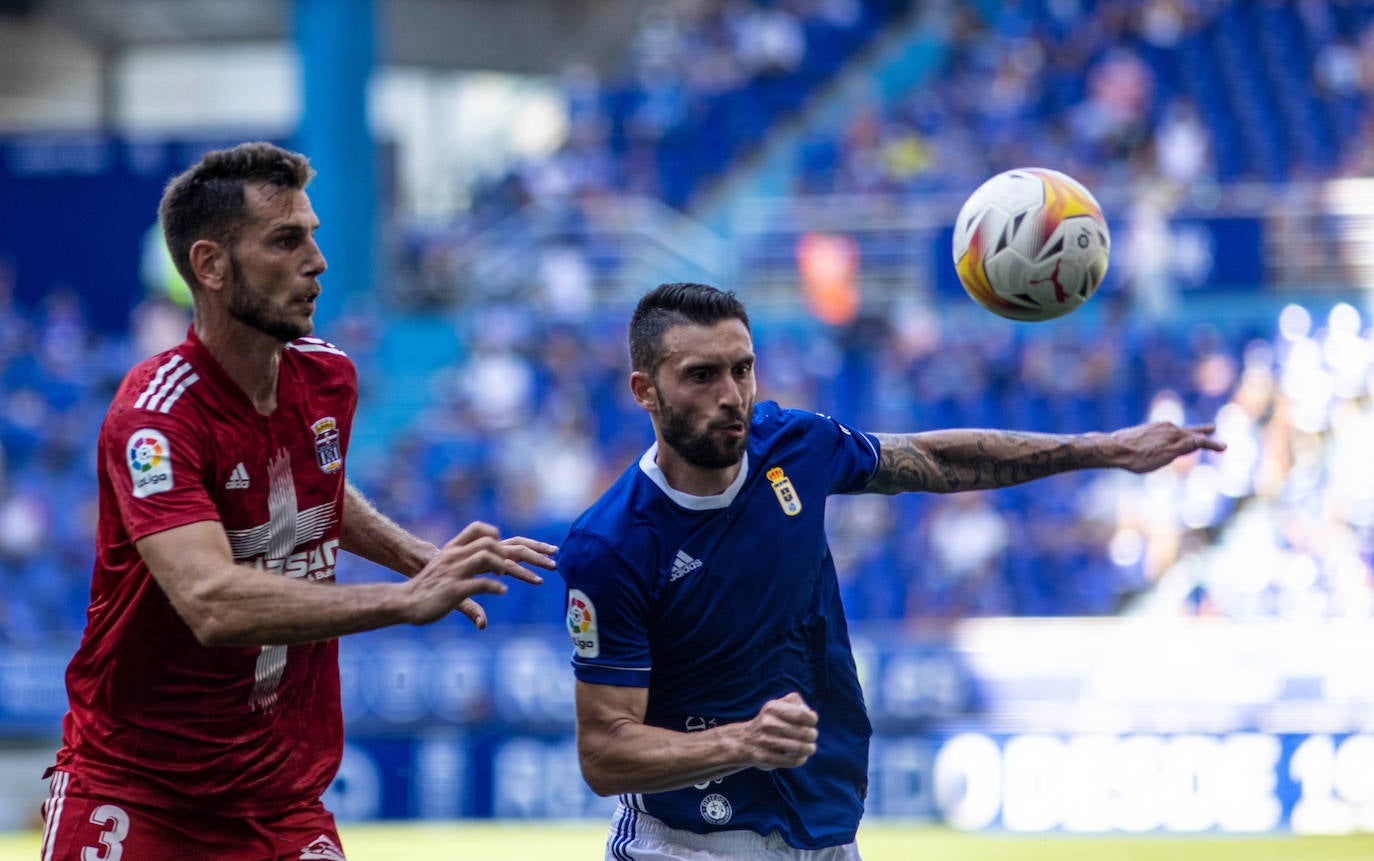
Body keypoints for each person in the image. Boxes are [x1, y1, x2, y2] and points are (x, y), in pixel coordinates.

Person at [557, 282, 1224, 859]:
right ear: (645, 390)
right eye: (702, 375)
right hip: (687, 842)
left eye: (743, 368)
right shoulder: (611, 546)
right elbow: (606, 751)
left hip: (825, 830)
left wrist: (1101, 448)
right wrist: (744, 741)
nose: (732, 395)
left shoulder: (795, 445)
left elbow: (934, 461)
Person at [41, 142, 556, 861]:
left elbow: (310, 488)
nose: (317, 261)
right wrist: (402, 598)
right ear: (211, 266)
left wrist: (413, 553)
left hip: (283, 804)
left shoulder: (330, 378)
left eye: (313, 235)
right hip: (138, 795)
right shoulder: (156, 417)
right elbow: (212, 601)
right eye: (286, 240)